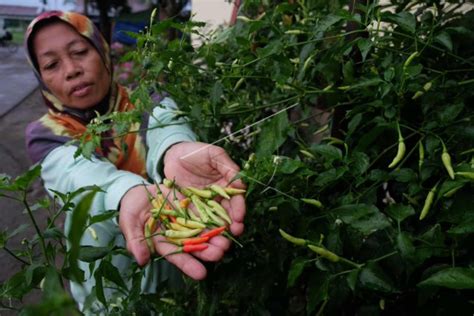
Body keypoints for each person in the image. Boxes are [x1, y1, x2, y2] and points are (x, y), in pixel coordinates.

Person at [24, 11, 246, 312]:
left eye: (79, 52)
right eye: (51, 64)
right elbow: (77, 174)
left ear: (102, 50)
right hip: (104, 287)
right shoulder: (45, 135)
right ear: (41, 77)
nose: (72, 70)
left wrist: (177, 148)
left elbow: (166, 125)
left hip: (173, 274)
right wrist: (126, 193)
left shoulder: (147, 100)